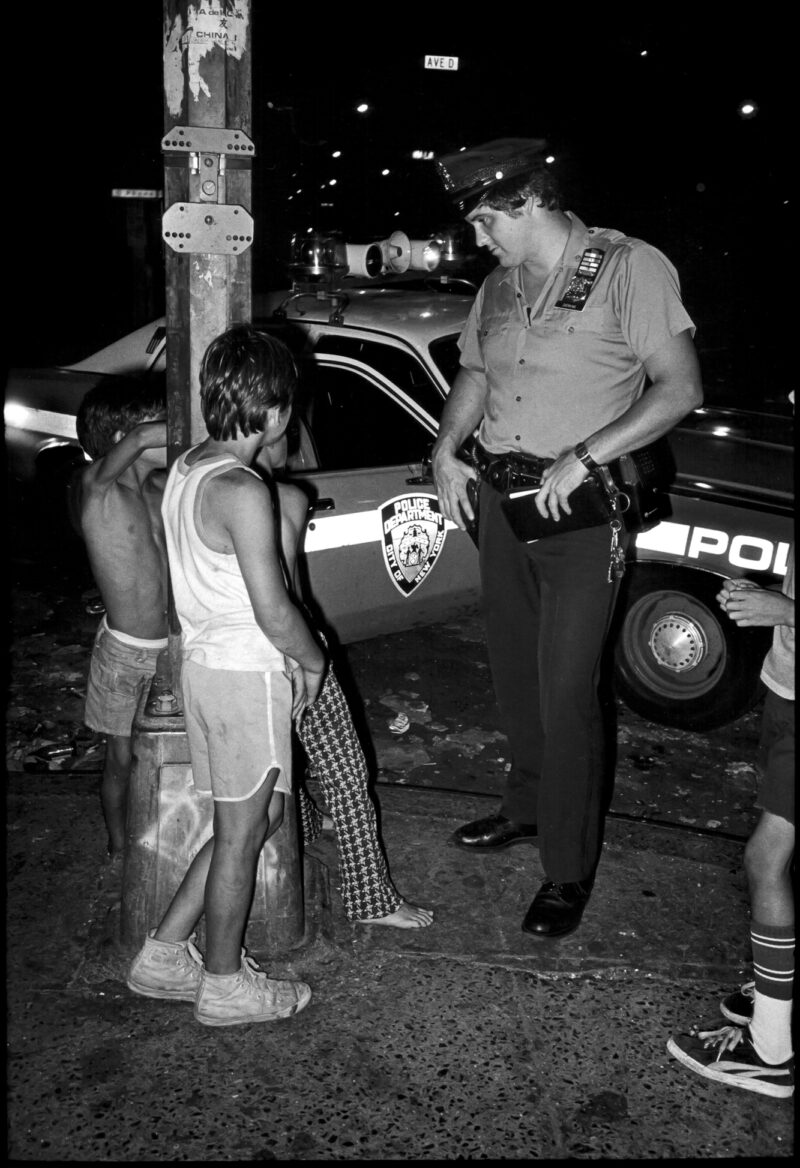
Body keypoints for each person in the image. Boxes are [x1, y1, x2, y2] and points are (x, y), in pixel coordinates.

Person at [431, 138, 703, 937]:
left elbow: (680, 387)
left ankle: (568, 865)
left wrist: (589, 454)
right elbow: (475, 377)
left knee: (566, 690)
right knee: (515, 672)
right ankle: (525, 806)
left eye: (486, 221)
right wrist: (446, 449)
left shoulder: (626, 268)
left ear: (527, 202)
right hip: (503, 504)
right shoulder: (498, 286)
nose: (479, 240)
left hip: (582, 513)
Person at [126, 325, 319, 1026]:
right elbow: (274, 611)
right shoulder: (243, 489)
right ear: (273, 411)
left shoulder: (189, 467)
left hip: (207, 669)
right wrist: (314, 657)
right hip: (244, 675)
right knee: (242, 832)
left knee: (257, 815)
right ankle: (224, 984)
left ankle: (163, 953)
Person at [258, 432, 434, 929]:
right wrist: (310, 657)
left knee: (281, 754)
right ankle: (372, 899)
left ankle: (309, 823)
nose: (293, 450)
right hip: (289, 648)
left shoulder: (192, 487)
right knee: (347, 772)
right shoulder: (284, 499)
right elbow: (287, 595)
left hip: (230, 656)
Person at [667, 539, 794, 1099]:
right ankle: (779, 992)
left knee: (765, 860)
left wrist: (786, 612)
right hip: (787, 684)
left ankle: (770, 1051)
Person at [76, 373, 169, 857]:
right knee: (121, 760)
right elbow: (140, 438)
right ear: (123, 440)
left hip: (171, 649)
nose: (174, 431)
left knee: (172, 752)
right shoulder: (98, 487)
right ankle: (119, 851)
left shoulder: (159, 489)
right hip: (125, 654)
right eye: (165, 422)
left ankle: (162, 839)